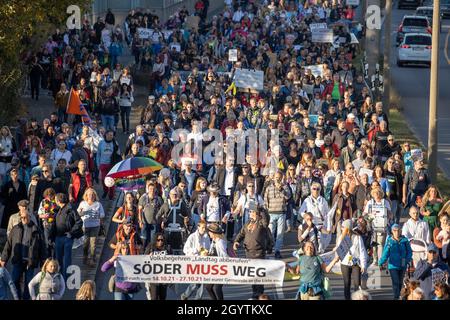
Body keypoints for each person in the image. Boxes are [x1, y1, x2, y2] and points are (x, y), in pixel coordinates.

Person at [0, 206, 46, 300]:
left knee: (28, 283)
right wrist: (3, 259)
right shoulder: (15, 229)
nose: (24, 219)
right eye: (22, 217)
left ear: (29, 217)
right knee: (15, 280)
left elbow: (42, 248)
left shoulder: (37, 230)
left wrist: (43, 263)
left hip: (30, 261)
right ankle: (18, 297)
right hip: (18, 259)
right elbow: (8, 245)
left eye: (25, 217)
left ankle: (25, 298)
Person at [233, 203, 273, 299]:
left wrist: (261, 210)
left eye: (251, 211)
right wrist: (236, 241)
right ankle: (255, 292)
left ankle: (260, 293)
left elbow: (266, 220)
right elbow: (241, 233)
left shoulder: (261, 223)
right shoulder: (248, 223)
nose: (250, 213)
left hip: (259, 252)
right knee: (252, 275)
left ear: (256, 213)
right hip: (248, 253)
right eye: (249, 211)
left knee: (258, 275)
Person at [51, 193, 83, 279]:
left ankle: (66, 276)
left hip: (67, 237)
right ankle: (59, 275)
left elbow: (79, 222)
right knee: (58, 258)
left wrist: (71, 233)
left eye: (55, 200)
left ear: (58, 201)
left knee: (67, 258)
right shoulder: (58, 210)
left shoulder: (70, 209)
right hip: (58, 237)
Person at [335, 219, 368, 300]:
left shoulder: (357, 237)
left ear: (347, 228)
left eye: (343, 227)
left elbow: (362, 251)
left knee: (357, 284)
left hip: (356, 264)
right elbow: (338, 251)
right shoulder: (341, 238)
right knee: (347, 284)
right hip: (345, 264)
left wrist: (363, 265)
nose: (341, 228)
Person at [379, 224, 412, 300]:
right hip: (392, 265)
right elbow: (385, 253)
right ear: (392, 231)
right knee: (396, 281)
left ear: (400, 231)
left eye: (398, 230)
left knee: (400, 282)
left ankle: (399, 295)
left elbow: (409, 252)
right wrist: (381, 262)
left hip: (403, 264)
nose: (396, 232)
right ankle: (396, 297)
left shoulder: (405, 240)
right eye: (394, 231)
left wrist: (407, 259)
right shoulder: (389, 241)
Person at [264, 170, 292, 259]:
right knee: (270, 233)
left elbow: (288, 196)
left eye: (279, 178)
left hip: (281, 213)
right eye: (276, 178)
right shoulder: (269, 188)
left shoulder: (285, 187)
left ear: (281, 178)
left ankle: (277, 250)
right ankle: (269, 247)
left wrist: (282, 190)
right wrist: (266, 212)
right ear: (274, 178)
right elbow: (265, 200)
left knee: (280, 234)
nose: (278, 179)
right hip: (271, 213)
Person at [181, 220, 210, 300]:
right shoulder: (192, 237)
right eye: (203, 227)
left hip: (203, 262)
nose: (204, 229)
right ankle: (185, 295)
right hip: (193, 262)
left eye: (205, 228)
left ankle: (197, 298)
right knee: (195, 282)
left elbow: (208, 248)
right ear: (198, 227)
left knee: (202, 282)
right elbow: (185, 250)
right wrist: (196, 250)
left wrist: (207, 252)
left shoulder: (206, 237)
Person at [298, 182, 331, 253]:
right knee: (312, 241)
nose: (316, 190)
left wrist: (328, 227)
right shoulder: (307, 200)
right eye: (314, 189)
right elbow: (301, 211)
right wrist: (306, 216)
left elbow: (328, 214)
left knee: (323, 241)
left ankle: (320, 254)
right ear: (311, 190)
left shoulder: (323, 201)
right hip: (311, 223)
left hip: (321, 223)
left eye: (318, 189)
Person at [363, 188, 392, 266]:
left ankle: (380, 261)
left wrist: (386, 217)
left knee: (380, 244)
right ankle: (375, 260)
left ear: (381, 194)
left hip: (382, 227)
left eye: (378, 193)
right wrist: (369, 217)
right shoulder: (370, 203)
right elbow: (364, 214)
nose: (377, 195)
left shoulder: (385, 202)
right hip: (372, 226)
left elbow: (390, 214)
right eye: (375, 193)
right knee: (374, 244)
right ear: (372, 194)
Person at [77, 188, 105, 266]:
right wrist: (83, 212)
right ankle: (85, 258)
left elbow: (103, 214)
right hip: (85, 226)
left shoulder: (98, 204)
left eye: (92, 194)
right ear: (86, 195)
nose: (91, 196)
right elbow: (78, 213)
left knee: (93, 244)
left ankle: (92, 259)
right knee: (85, 243)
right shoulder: (83, 203)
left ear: (95, 196)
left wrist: (98, 215)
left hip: (95, 226)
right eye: (89, 194)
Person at [205, 223, 228, 300]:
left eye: (210, 232)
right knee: (208, 287)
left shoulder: (220, 242)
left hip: (220, 268)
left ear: (214, 233)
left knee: (217, 288)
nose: (209, 233)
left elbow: (224, 255)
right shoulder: (213, 241)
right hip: (214, 268)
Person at [144, 233, 170, 300]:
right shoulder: (151, 247)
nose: (160, 241)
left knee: (163, 297)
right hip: (153, 278)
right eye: (158, 240)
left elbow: (174, 260)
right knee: (154, 297)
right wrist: (149, 256)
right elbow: (144, 259)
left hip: (164, 278)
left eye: (162, 240)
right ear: (155, 240)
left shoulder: (167, 248)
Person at [138, 181, 164, 247]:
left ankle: (151, 251)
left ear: (155, 189)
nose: (152, 190)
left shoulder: (158, 199)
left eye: (153, 189)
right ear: (147, 189)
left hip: (155, 222)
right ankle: (143, 251)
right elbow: (139, 210)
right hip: (144, 222)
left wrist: (162, 221)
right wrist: (140, 220)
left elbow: (162, 210)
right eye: (150, 189)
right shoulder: (143, 198)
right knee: (144, 238)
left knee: (153, 239)